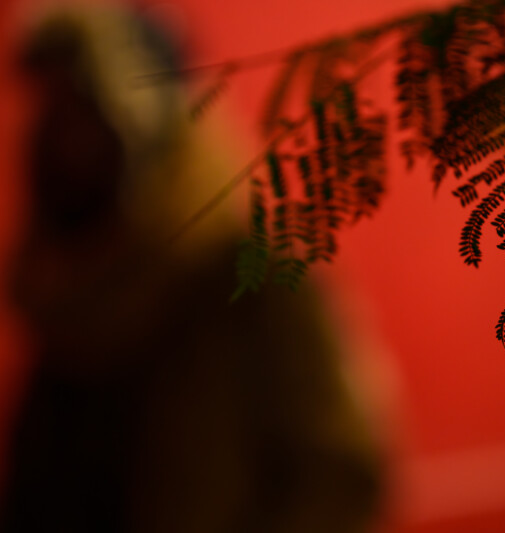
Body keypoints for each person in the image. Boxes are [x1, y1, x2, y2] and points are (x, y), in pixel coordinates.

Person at [3, 6, 384, 532]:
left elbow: (341, 474)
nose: (61, 143)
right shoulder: (68, 300)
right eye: (51, 109)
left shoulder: (246, 272)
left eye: (83, 110)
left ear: (143, 129)